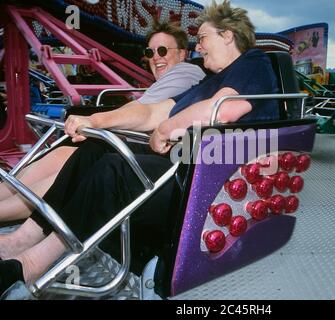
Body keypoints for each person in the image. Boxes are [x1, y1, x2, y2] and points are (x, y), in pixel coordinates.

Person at [0, 0, 280, 295]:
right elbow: (150, 112)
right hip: (183, 170)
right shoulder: (206, 83)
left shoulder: (253, 63)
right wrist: (96, 120)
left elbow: (223, 111)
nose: (199, 47)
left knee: (115, 170)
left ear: (227, 35)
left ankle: (32, 265)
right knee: (92, 151)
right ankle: (22, 238)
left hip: (207, 185)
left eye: (203, 38)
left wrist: (167, 129)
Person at [0, 21, 205, 223]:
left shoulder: (187, 73)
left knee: (73, 159)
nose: (156, 58)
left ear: (182, 53)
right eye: (150, 53)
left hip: (157, 155)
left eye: (162, 50)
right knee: (68, 154)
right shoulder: (173, 80)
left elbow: (144, 111)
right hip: (146, 146)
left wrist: (95, 121)